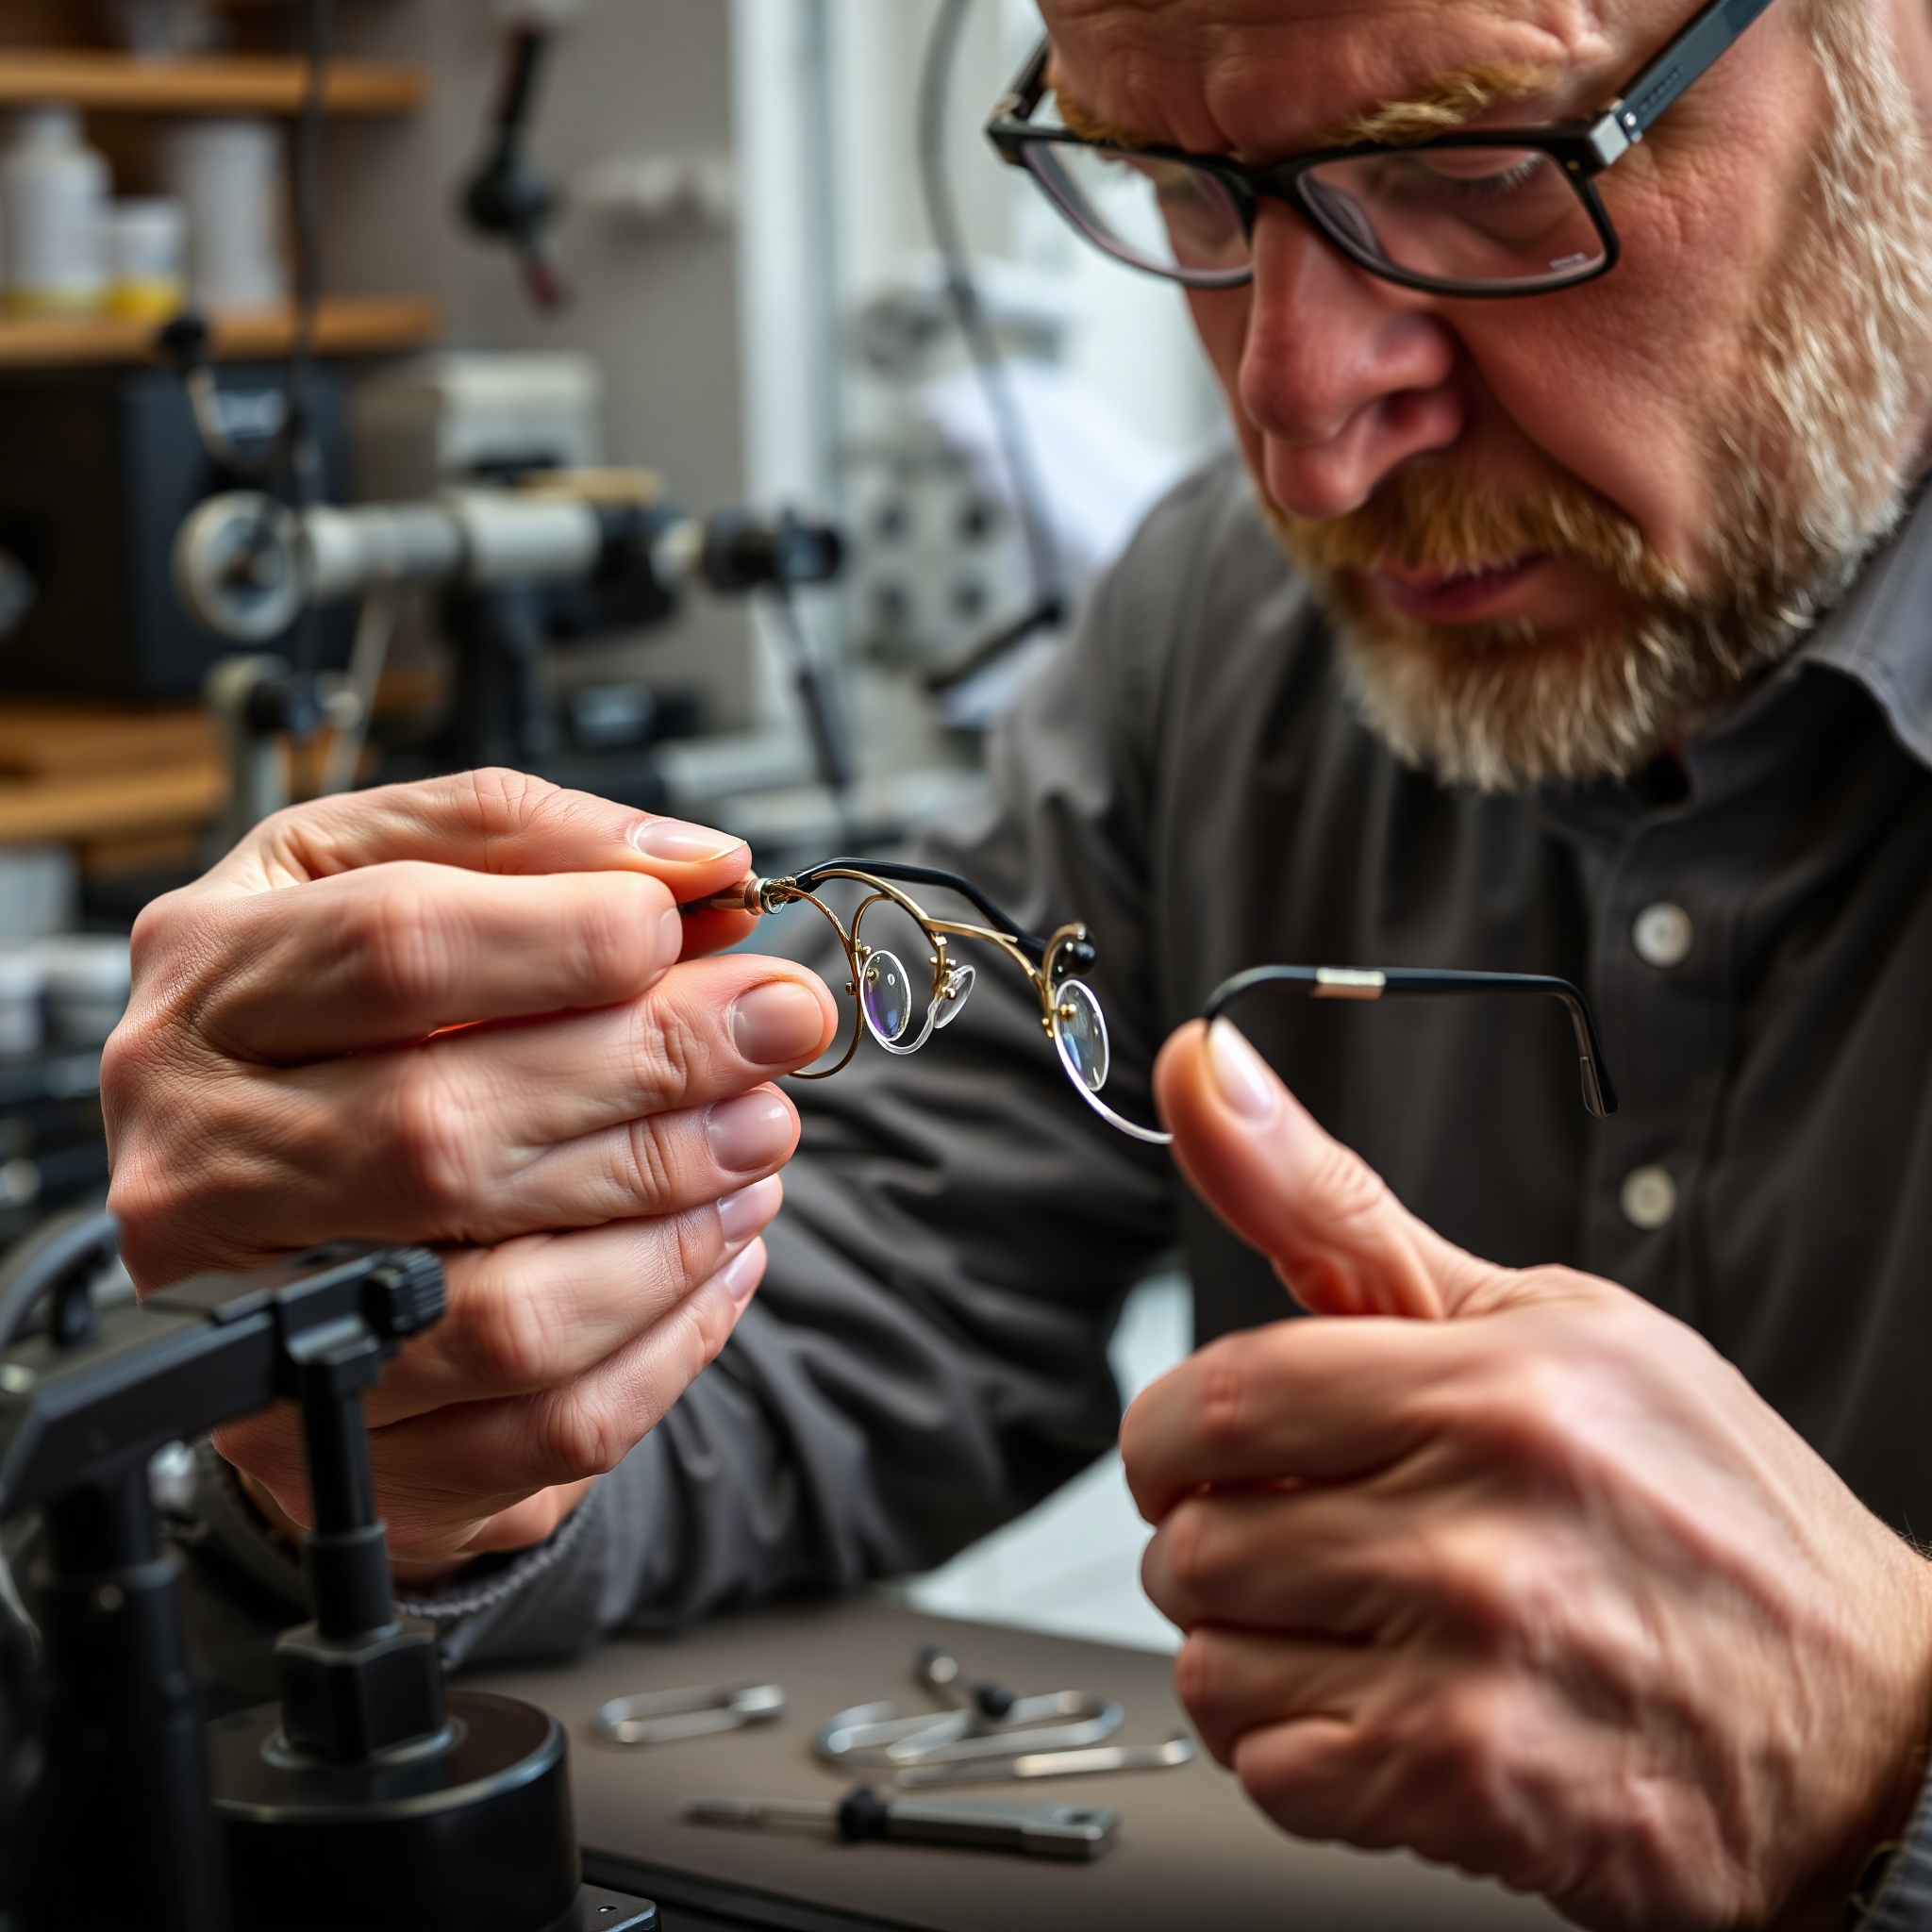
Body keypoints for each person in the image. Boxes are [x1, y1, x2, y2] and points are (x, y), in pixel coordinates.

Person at [96, 0, 1932, 1923]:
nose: (1299, 431)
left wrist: (1885, 1743)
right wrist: (397, 1388)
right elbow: (861, 1278)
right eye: (1177, 188)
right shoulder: (1220, 626)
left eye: (1473, 175)